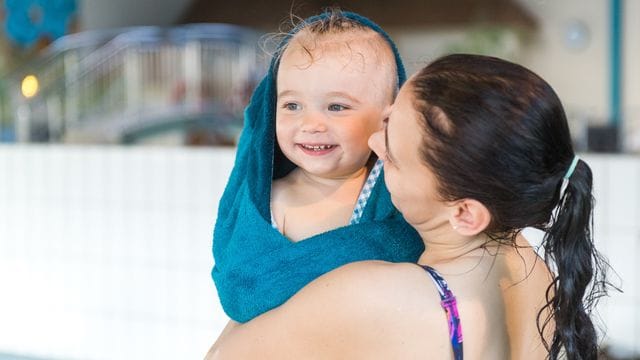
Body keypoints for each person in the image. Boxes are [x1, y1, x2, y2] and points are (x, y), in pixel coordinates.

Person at [207, 54, 611, 359]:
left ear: (465, 214)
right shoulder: (534, 271)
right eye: (389, 116)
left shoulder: (377, 295)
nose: (373, 144)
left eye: (393, 154)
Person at [211, 8, 424, 329]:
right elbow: (242, 283)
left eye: (336, 106)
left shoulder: (395, 199)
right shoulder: (275, 201)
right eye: (292, 105)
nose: (310, 124)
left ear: (387, 118)